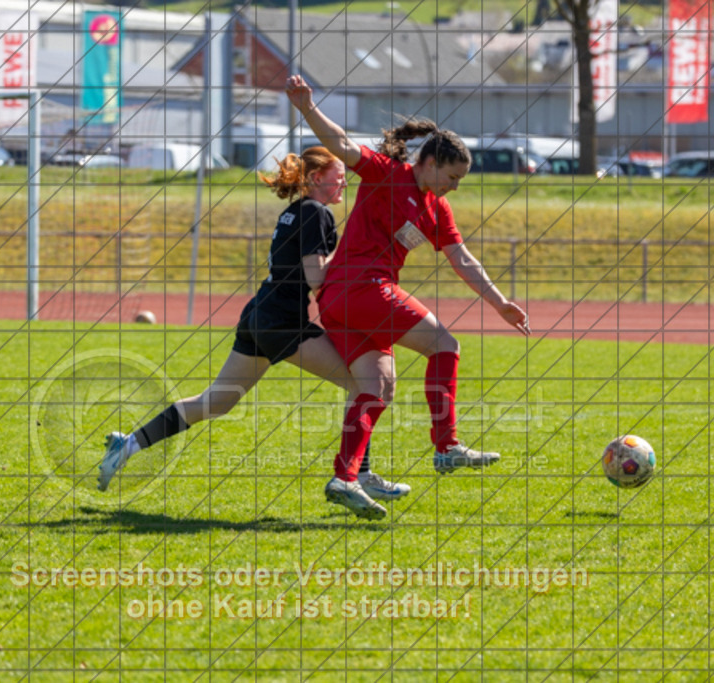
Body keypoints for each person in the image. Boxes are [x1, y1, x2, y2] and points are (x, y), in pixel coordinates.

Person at [97, 146, 410, 502]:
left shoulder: (296, 210)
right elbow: (316, 279)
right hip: (282, 322)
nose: (345, 184)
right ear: (315, 178)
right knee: (364, 384)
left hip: (259, 314)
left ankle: (128, 444)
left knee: (216, 401)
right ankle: (359, 475)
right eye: (339, 177)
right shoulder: (316, 211)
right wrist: (355, 254)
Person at [286, 75, 530, 521]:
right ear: (430, 162)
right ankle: (447, 446)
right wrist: (306, 108)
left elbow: (462, 259)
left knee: (376, 387)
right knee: (445, 345)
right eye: (452, 177)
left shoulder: (437, 208)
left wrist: (500, 303)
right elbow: (341, 143)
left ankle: (345, 477)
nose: (455, 186)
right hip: (362, 289)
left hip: (340, 302)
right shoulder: (386, 174)